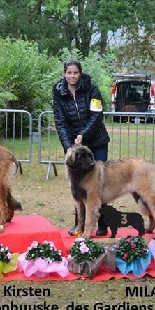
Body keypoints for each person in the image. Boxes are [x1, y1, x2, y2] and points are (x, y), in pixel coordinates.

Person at [52, 59, 111, 236]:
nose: (72, 76)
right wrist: (67, 146)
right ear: (64, 74)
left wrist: (83, 135)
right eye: (69, 73)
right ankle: (79, 223)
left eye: (75, 73)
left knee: (98, 186)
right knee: (76, 187)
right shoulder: (58, 91)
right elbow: (60, 121)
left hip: (96, 141)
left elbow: (96, 115)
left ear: (80, 73)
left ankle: (101, 223)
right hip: (75, 147)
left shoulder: (92, 89)